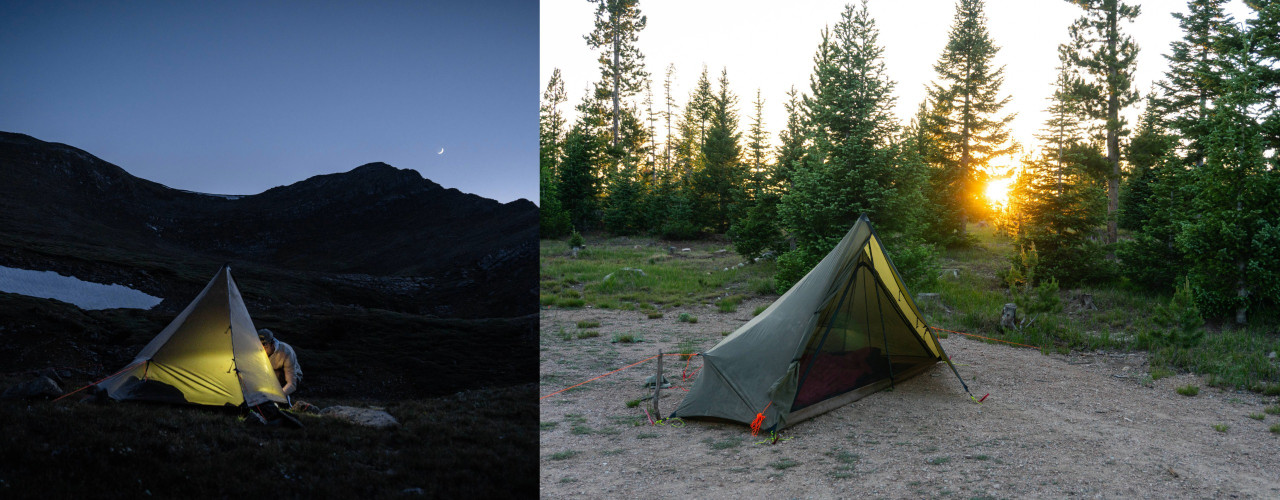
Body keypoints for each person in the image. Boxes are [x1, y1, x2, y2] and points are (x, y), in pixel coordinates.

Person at [257, 328, 302, 397]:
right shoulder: (256, 351)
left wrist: (278, 396)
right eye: (259, 345)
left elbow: (292, 383)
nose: (262, 349)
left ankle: (284, 399)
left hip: (290, 376)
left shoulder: (285, 351)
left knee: (277, 375)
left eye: (265, 345)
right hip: (269, 375)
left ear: (272, 344)